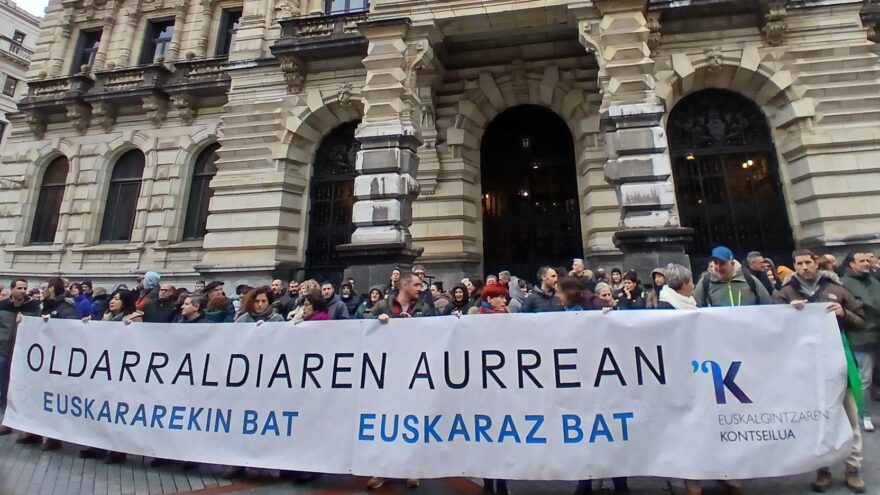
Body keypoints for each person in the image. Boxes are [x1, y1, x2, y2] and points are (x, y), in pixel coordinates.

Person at [775, 250, 867, 493]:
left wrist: (843, 313)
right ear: (794, 266)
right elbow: (773, 326)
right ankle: (822, 469)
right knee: (818, 420)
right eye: (800, 263)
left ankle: (853, 468)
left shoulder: (836, 288)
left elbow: (860, 322)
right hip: (808, 368)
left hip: (839, 364)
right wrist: (788, 315)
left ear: (815, 264)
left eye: (808, 262)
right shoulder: (786, 293)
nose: (805, 267)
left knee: (850, 417)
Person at [653, 264, 742, 495]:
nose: (693, 285)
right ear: (683, 284)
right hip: (680, 378)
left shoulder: (692, 303)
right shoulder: (664, 307)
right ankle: (692, 480)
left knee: (712, 424)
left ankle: (722, 472)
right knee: (687, 429)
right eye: (691, 281)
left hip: (702, 373)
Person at [365, 272, 433, 490]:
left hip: (414, 371)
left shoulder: (423, 308)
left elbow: (438, 328)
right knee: (385, 420)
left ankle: (411, 468)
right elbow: (361, 324)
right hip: (387, 372)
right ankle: (382, 469)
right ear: (404, 285)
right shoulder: (383, 306)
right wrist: (377, 322)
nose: (420, 288)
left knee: (411, 420)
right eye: (416, 284)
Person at [841, 250, 880, 433]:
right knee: (865, 379)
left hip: (877, 334)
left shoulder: (874, 281)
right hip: (862, 337)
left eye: (867, 260)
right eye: (861, 260)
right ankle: (864, 416)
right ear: (851, 264)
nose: (866, 263)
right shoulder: (845, 284)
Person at [0, 278, 41, 436]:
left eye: (25, 288)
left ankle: (22, 422)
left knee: (21, 388)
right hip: (3, 351)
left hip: (23, 354)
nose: (23, 291)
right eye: (19, 288)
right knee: (4, 389)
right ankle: (5, 420)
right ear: (12, 289)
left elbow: (39, 327)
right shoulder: (2, 305)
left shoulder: (33, 306)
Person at [693, 246, 773, 307]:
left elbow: (767, 306)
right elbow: (696, 312)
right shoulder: (705, 283)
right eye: (716, 263)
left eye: (722, 263)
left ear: (732, 264)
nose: (718, 267)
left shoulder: (749, 280)